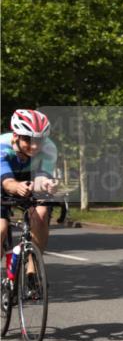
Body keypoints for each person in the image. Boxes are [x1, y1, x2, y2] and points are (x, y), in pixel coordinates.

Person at [1, 110, 59, 270]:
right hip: (4, 179)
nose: (34, 146)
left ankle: (32, 271)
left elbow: (41, 177)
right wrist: (16, 186)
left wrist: (47, 184)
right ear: (15, 136)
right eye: (27, 139)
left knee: (41, 214)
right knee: (1, 228)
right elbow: (6, 181)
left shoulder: (49, 148)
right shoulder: (2, 146)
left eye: (39, 140)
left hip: (28, 180)